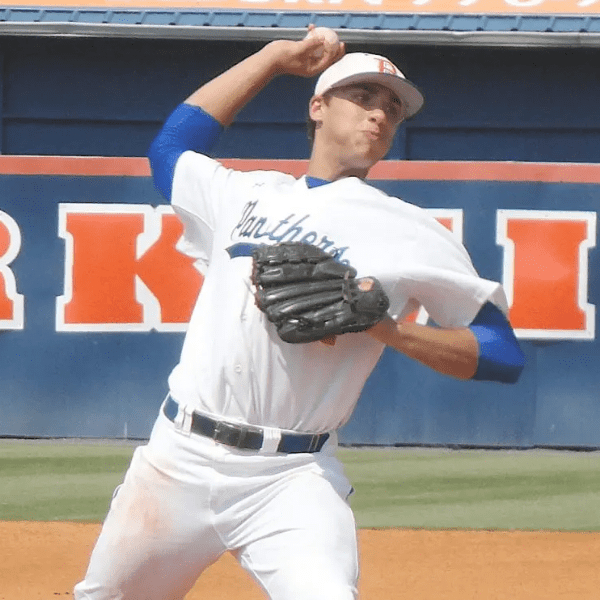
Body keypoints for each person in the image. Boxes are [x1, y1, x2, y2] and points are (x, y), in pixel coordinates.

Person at [74, 27, 525, 600]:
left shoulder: (414, 231)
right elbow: (170, 148)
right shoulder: (243, 194)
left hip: (291, 474)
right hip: (178, 457)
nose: (379, 115)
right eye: (363, 97)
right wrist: (271, 59)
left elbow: (502, 354)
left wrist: (386, 328)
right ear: (318, 106)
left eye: (392, 107)